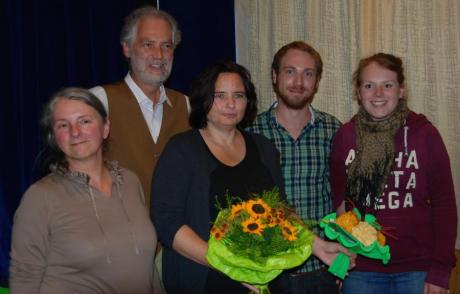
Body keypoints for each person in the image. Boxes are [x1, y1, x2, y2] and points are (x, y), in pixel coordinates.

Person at [151, 60, 352, 294]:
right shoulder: (182, 149)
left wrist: (316, 245)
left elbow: (281, 212)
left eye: (238, 95)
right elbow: (167, 222)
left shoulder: (263, 147)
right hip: (207, 278)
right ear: (203, 99)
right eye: (220, 95)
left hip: (264, 279)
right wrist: (229, 266)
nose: (230, 103)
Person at [9, 88, 163, 293]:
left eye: (84, 121)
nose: (75, 132)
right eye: (63, 125)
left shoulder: (129, 182)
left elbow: (146, 267)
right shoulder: (40, 197)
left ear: (106, 127)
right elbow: (24, 278)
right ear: (55, 137)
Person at [330, 53, 457, 294]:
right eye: (369, 85)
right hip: (360, 270)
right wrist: (342, 259)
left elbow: (445, 206)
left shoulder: (425, 135)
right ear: (359, 92)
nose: (378, 94)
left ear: (401, 90)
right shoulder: (345, 136)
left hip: (416, 270)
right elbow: (340, 206)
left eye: (387, 85)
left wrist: (440, 271)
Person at [247, 41, 342, 293]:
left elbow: (345, 200)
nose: (299, 81)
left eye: (308, 73)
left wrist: (342, 266)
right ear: (274, 76)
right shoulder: (250, 133)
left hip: (322, 269)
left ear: (317, 81)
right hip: (269, 269)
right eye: (290, 71)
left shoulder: (335, 130)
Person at [90, 6, 189, 208]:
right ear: (127, 48)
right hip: (116, 234)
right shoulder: (99, 101)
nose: (159, 55)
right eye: (148, 44)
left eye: (167, 46)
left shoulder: (186, 106)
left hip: (176, 237)